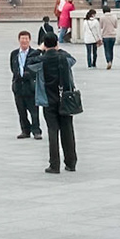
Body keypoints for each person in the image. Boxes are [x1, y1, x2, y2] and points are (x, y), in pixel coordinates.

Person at [35, 28, 79, 172]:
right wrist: (57, 50)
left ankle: (54, 164)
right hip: (65, 98)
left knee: (53, 132)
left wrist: (40, 49)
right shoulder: (64, 58)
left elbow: (30, 63)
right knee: (68, 130)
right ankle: (71, 162)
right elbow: (72, 60)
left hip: (49, 100)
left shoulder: (41, 60)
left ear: (44, 44)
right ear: (57, 43)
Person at [9, 30, 42, 139]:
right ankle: (25, 130)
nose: (24, 41)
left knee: (34, 110)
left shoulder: (35, 53)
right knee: (21, 111)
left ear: (29, 40)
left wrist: (29, 74)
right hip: (18, 85)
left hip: (30, 85)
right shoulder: (14, 54)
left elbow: (37, 68)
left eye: (26, 39)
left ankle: (36, 131)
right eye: (22, 38)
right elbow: (12, 67)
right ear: (19, 40)